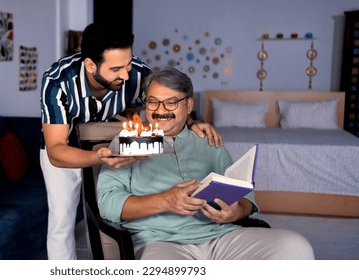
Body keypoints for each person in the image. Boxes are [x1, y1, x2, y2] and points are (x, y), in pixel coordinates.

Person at [40, 24, 223, 260]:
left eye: (127, 65)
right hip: (66, 149)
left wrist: (190, 122)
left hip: (115, 143)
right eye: (116, 68)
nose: (126, 75)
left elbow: (167, 103)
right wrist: (97, 156)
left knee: (107, 213)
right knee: (61, 221)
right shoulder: (57, 81)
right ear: (90, 65)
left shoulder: (137, 73)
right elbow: (56, 151)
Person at [97, 67, 315, 260]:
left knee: (296, 247)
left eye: (171, 102)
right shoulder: (129, 143)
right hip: (160, 242)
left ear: (188, 105)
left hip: (220, 236)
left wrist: (236, 212)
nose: (160, 110)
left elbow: (246, 197)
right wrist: (164, 201)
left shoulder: (209, 141)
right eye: (153, 101)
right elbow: (106, 203)